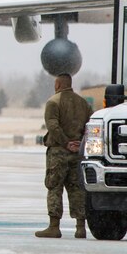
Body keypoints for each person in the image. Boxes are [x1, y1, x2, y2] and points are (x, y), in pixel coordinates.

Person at [35, 73, 92, 239]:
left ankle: (54, 226)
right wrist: (80, 143)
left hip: (58, 152)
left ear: (58, 85)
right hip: (77, 154)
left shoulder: (53, 102)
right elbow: (90, 126)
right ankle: (80, 227)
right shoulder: (83, 103)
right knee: (77, 189)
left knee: (54, 187)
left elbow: (53, 127)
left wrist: (66, 143)